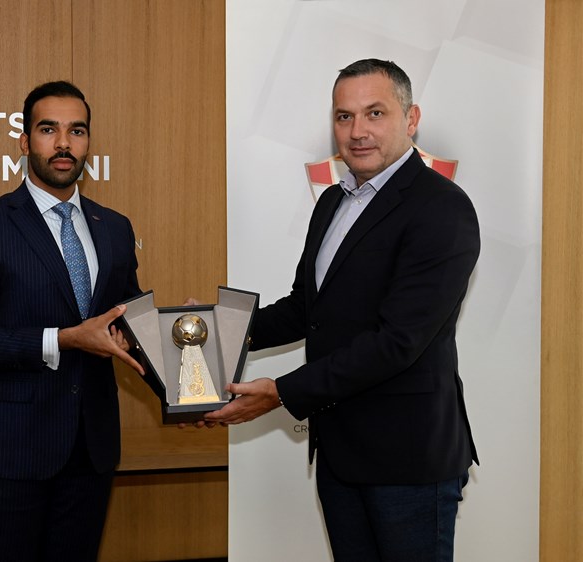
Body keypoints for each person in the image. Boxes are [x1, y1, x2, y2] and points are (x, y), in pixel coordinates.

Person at [205, 59, 479, 561]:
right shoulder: (332, 201)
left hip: (408, 459)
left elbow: (397, 342)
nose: (357, 132)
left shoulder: (441, 207)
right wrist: (211, 329)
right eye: (344, 116)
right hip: (340, 452)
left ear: (411, 118)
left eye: (375, 113)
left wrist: (281, 392)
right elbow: (305, 310)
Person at [0, 80, 144, 562]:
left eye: (77, 131)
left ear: (89, 142)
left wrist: (180, 335)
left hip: (91, 448)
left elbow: (127, 319)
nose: (64, 143)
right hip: (10, 448)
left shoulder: (114, 227)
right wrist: (64, 339)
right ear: (24, 140)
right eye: (49, 130)